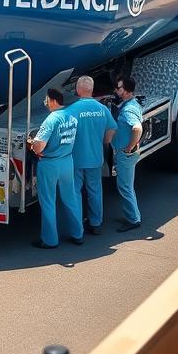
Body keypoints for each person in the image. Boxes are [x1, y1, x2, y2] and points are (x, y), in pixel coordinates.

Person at [29, 87, 83, 250]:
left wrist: (32, 144)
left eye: (46, 99)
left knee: (48, 201)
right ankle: (78, 234)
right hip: (67, 161)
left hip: (50, 164)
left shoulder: (51, 119)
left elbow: (39, 147)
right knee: (70, 198)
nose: (45, 102)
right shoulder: (71, 117)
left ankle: (50, 240)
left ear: (53, 101)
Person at [68, 76, 115, 235]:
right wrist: (104, 141)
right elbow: (111, 130)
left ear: (78, 90)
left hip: (76, 160)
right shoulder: (102, 109)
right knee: (95, 190)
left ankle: (77, 231)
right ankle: (96, 224)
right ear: (92, 90)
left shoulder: (71, 110)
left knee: (74, 193)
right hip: (95, 158)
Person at [112, 75, 143, 233]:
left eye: (119, 88)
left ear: (127, 91)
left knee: (125, 187)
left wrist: (130, 147)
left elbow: (137, 128)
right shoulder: (132, 104)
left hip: (125, 154)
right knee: (127, 185)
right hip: (128, 153)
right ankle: (134, 215)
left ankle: (133, 219)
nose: (116, 90)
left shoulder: (129, 110)